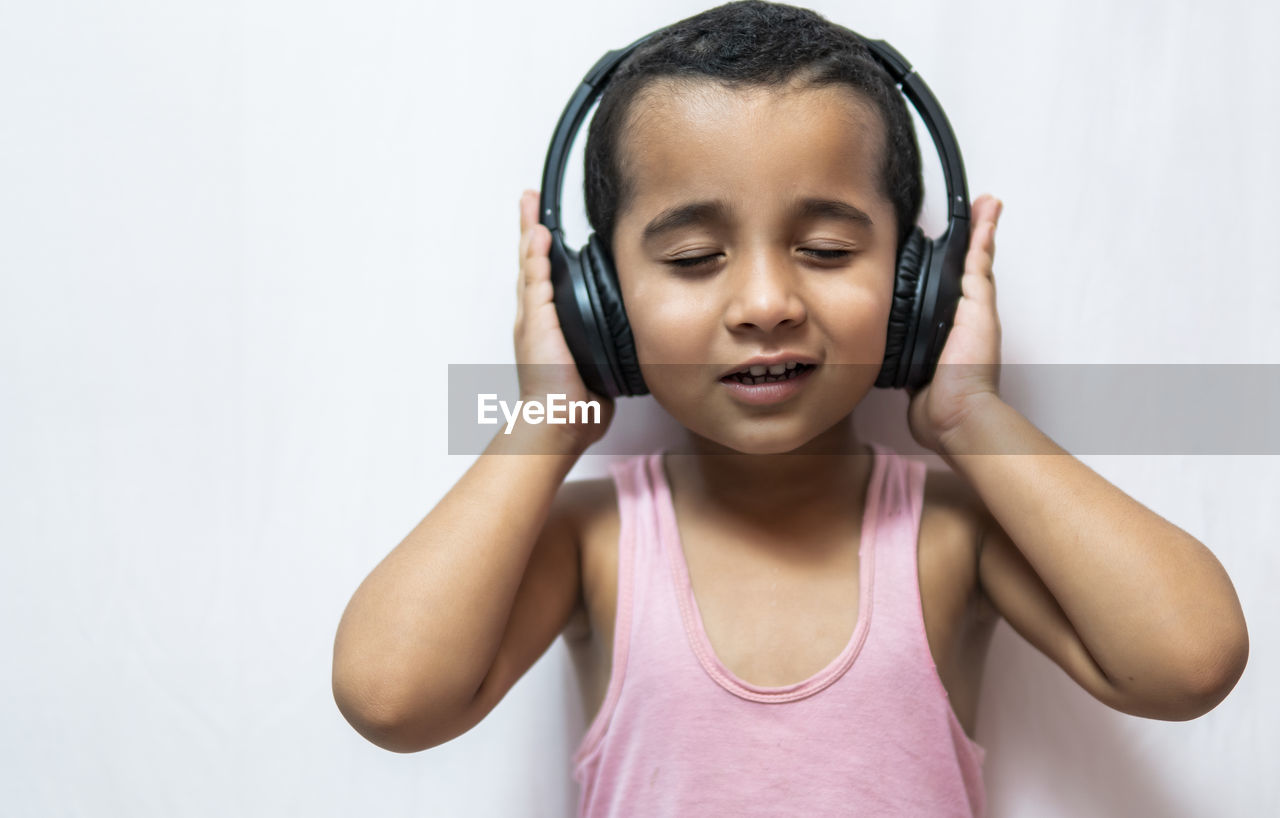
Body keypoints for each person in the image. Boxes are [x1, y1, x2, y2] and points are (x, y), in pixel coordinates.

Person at [331, 2, 1250, 815]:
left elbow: (1188, 663)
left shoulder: (951, 533)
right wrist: (549, 418)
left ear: (916, 286)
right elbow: (391, 698)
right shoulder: (597, 540)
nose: (766, 302)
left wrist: (971, 414)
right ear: (596, 298)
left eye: (824, 247)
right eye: (694, 259)